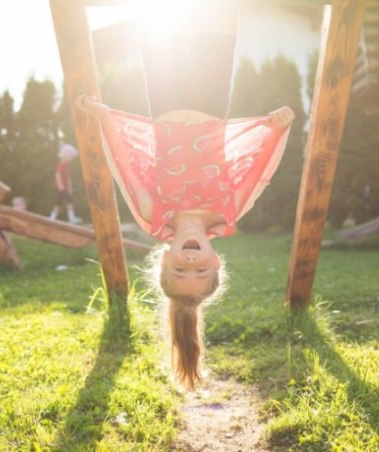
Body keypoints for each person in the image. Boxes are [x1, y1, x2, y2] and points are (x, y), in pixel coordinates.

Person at [75, 2, 295, 391]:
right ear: (216, 261)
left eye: (179, 271)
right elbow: (259, 167)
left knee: (157, 18)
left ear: (163, 261)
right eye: (201, 270)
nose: (190, 262)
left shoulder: (153, 212)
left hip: (165, 98)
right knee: (222, 15)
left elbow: (124, 165)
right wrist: (278, 129)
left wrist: (105, 117)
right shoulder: (228, 211)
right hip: (212, 102)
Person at [50, 143, 82, 224]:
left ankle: (54, 218)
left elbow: (68, 177)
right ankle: (53, 218)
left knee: (65, 202)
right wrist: (60, 185)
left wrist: (70, 187)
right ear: (66, 155)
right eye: (70, 156)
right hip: (62, 188)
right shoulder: (61, 164)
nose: (71, 158)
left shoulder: (67, 165)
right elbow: (57, 174)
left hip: (65, 188)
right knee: (61, 202)